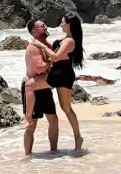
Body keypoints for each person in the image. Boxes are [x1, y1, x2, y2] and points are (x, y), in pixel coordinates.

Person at [36, 14, 85, 151]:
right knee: (66, 108)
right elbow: (56, 51)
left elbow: (56, 57)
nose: (61, 24)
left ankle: (77, 137)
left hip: (63, 75)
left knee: (66, 108)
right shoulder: (65, 39)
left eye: (63, 22)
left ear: (69, 24)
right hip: (57, 74)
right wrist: (44, 42)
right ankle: (41, 114)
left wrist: (40, 45)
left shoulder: (70, 41)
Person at [21, 19, 59, 155]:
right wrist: (51, 61)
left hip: (43, 86)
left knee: (53, 119)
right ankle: (28, 156)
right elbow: (39, 67)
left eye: (45, 24)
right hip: (33, 86)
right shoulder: (33, 47)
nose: (46, 26)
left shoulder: (44, 44)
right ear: (34, 31)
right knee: (32, 125)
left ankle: (54, 151)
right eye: (43, 26)